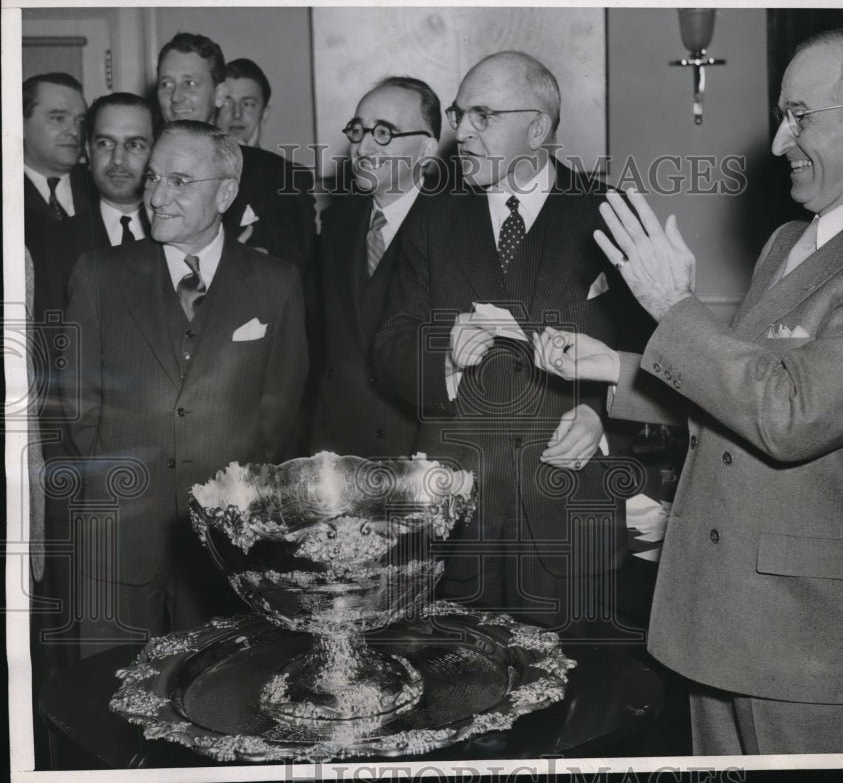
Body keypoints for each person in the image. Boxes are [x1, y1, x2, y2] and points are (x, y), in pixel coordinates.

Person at [533, 29, 843, 753]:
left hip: (815, 642)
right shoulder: (788, 242)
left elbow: (790, 415)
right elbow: (743, 390)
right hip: (724, 617)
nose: (777, 141)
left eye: (800, 116)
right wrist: (617, 367)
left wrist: (676, 308)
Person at [374, 51, 643, 634]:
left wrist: (601, 419)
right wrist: (442, 354)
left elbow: (659, 361)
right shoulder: (431, 218)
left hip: (572, 513)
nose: (462, 131)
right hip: (459, 520)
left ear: (538, 128)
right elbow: (389, 343)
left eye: (482, 116)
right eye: (458, 113)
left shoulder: (608, 212)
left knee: (581, 703)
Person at [62, 121, 308, 656]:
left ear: (225, 192)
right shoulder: (99, 274)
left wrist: (238, 504)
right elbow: (79, 409)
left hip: (228, 545)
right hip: (118, 535)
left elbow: (279, 413)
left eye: (179, 181)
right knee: (105, 700)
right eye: (153, 179)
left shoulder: (276, 283)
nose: (155, 197)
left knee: (225, 695)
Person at [310, 76, 441, 458]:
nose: (363, 146)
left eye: (384, 132)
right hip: (336, 451)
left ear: (426, 149)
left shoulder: (456, 226)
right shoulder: (338, 221)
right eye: (358, 129)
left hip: (417, 455)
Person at [156, 32, 316, 269]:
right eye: (166, 84)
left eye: (189, 83)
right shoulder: (137, 169)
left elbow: (298, 273)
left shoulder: (278, 175)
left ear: (219, 95)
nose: (176, 97)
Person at [36, 93, 155, 319]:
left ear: (156, 154)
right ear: (89, 153)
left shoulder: (180, 238)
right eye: (105, 143)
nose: (118, 159)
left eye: (135, 145)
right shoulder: (52, 246)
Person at [22, 72, 94, 310]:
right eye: (57, 118)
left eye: (80, 121)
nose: (74, 131)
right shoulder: (8, 195)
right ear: (19, 124)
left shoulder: (101, 188)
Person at [216, 57, 271, 147]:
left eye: (247, 104)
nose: (237, 114)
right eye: (226, 103)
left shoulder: (281, 162)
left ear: (264, 114)